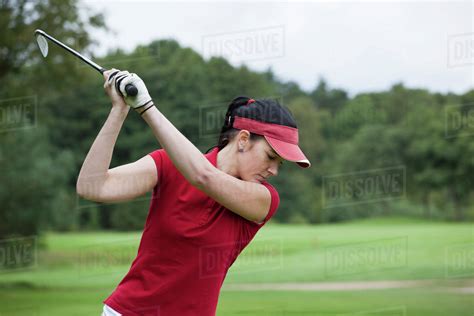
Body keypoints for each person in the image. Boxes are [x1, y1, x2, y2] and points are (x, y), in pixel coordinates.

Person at [76, 69, 311, 316]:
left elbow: (203, 177)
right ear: (243, 139)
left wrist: (146, 107)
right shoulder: (166, 165)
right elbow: (91, 187)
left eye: (280, 163)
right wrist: (119, 111)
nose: (274, 170)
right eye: (271, 157)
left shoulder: (264, 200)